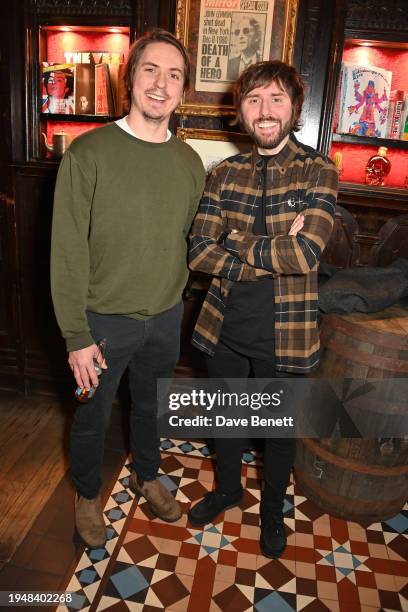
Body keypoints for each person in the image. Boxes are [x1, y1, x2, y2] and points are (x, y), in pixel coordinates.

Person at [50, 29, 205, 549]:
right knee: (92, 412)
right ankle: (88, 493)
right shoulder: (89, 153)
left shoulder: (188, 163)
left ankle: (147, 473)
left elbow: (190, 239)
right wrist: (76, 335)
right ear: (130, 79)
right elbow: (67, 251)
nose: (161, 84)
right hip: (101, 322)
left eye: (174, 75)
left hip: (164, 317)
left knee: (152, 407)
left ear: (183, 90)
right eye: (151, 71)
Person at [187, 60, 338, 558]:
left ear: (294, 107)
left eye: (276, 98)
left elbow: (305, 254)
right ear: (241, 111)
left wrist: (235, 242)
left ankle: (273, 510)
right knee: (225, 423)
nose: (265, 110)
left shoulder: (318, 170)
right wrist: (268, 245)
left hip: (287, 334)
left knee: (277, 435)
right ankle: (228, 489)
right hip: (223, 328)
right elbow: (198, 253)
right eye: (253, 100)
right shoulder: (223, 174)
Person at [227, 15, 262, 81]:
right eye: (237, 32)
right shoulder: (230, 64)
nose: (240, 36)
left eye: (245, 31)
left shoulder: (262, 63)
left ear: (256, 36)